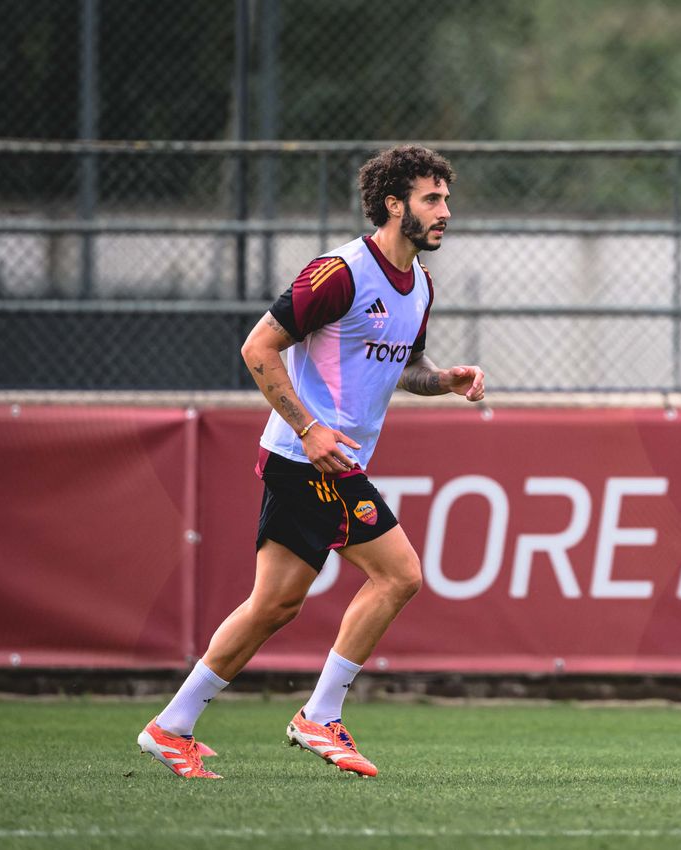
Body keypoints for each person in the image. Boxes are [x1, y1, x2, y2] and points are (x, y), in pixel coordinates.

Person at [138, 145, 484, 779]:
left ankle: (171, 726)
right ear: (392, 204)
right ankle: (320, 715)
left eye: (446, 199)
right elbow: (258, 347)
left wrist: (446, 380)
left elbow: (408, 366)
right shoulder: (339, 272)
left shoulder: (421, 287)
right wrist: (311, 428)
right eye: (432, 199)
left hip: (318, 460)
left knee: (273, 605)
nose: (445, 212)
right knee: (400, 575)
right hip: (308, 460)